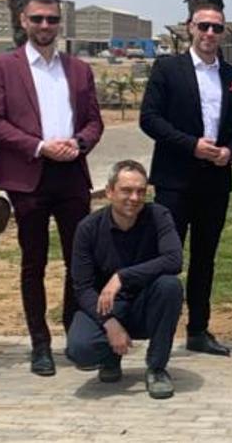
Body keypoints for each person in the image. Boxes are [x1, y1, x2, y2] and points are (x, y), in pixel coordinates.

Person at [0, 0, 104, 377]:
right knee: (33, 262)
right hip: (27, 176)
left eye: (51, 19)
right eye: (37, 19)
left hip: (71, 174)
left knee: (78, 260)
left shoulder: (79, 69)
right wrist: (38, 147)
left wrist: (79, 143)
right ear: (23, 20)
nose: (45, 26)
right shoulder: (2, 66)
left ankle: (76, 335)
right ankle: (40, 343)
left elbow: (94, 121)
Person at [139, 4, 232, 357]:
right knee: (167, 258)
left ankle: (199, 329)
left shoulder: (231, 75)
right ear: (190, 27)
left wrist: (229, 152)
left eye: (217, 28)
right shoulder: (168, 68)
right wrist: (192, 146)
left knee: (206, 258)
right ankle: (158, 332)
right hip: (175, 181)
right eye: (204, 26)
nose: (210, 34)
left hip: (215, 182)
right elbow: (149, 119)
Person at [66, 161, 184, 400]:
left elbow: (174, 260)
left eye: (141, 191)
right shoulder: (88, 228)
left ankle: (157, 368)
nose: (134, 197)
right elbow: (82, 287)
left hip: (145, 304)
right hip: (107, 306)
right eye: (126, 190)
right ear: (109, 191)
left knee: (170, 286)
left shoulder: (158, 216)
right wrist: (109, 323)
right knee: (80, 349)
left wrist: (122, 276)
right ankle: (109, 358)